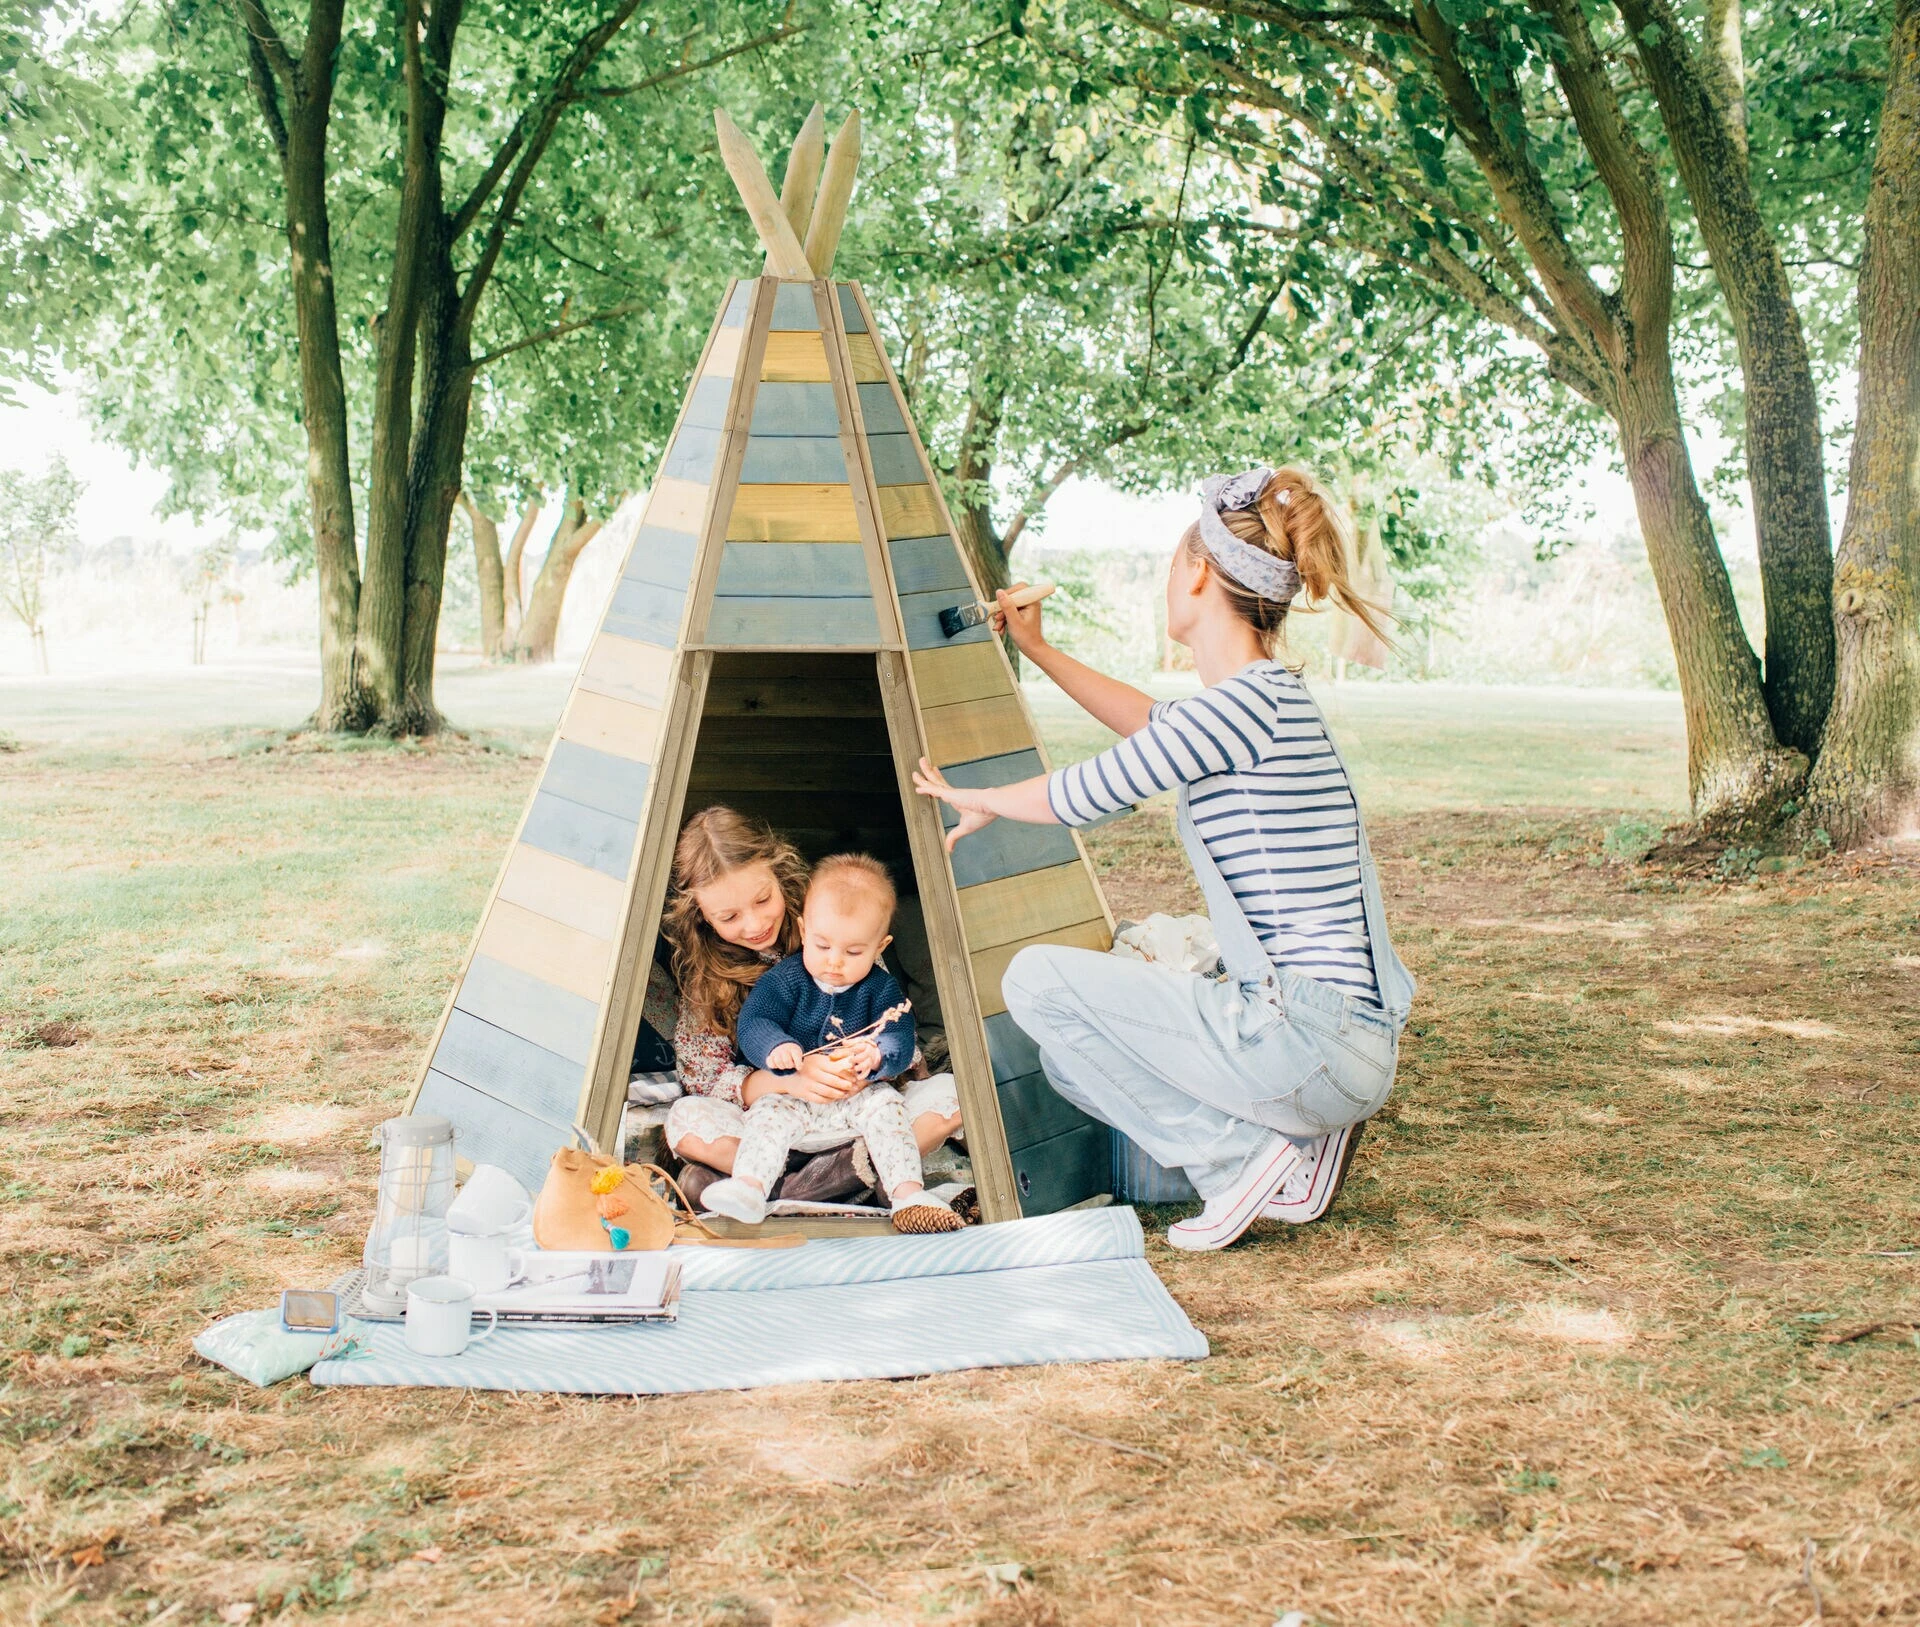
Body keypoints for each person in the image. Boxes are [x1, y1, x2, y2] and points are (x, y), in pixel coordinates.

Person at [913, 464, 1416, 1251]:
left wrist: (985, 797)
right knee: (1079, 1065)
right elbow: (1152, 724)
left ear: (1200, 573)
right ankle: (1303, 1150)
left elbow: (1084, 794)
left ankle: (1240, 1162)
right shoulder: (1261, 700)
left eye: (1170, 565)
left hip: (1305, 1035)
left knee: (1035, 982)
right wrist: (1040, 652)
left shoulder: (1237, 708)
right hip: (1343, 1042)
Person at [651, 808, 962, 1206]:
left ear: (779, 873)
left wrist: (864, 1067)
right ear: (703, 917)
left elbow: (893, 1031)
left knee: (952, 1098)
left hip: (858, 1112)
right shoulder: (708, 980)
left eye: (763, 899)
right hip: (773, 1114)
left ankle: (798, 1185)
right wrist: (787, 1080)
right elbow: (705, 1079)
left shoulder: (833, 920)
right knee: (687, 1121)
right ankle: (841, 1178)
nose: (753, 924)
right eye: (729, 916)